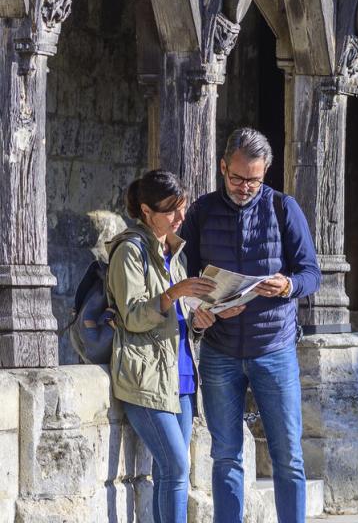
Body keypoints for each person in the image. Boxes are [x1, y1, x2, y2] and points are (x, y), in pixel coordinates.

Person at [181, 127, 321, 523]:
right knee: (225, 455)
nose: (245, 187)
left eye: (254, 180)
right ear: (223, 167)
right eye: (237, 178)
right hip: (219, 352)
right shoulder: (202, 212)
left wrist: (290, 284)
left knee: (288, 456)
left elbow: (312, 272)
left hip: (274, 349)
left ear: (266, 173)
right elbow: (181, 278)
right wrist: (199, 310)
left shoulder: (282, 208)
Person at [106, 169, 236, 523]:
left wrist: (199, 320)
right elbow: (132, 317)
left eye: (183, 207)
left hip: (180, 375)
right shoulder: (129, 251)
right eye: (171, 210)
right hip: (145, 377)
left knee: (173, 472)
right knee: (176, 466)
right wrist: (173, 293)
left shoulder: (173, 252)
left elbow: (177, 320)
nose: (180, 217)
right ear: (146, 210)